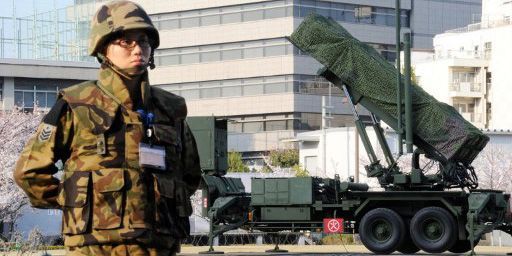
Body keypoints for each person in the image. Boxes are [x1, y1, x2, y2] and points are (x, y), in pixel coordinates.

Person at [13, 1, 201, 255]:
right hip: (94, 247)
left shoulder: (170, 109)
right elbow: (29, 172)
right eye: (126, 41)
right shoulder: (76, 104)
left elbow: (189, 175)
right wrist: (77, 201)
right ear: (103, 47)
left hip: (157, 246)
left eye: (143, 41)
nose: (137, 49)